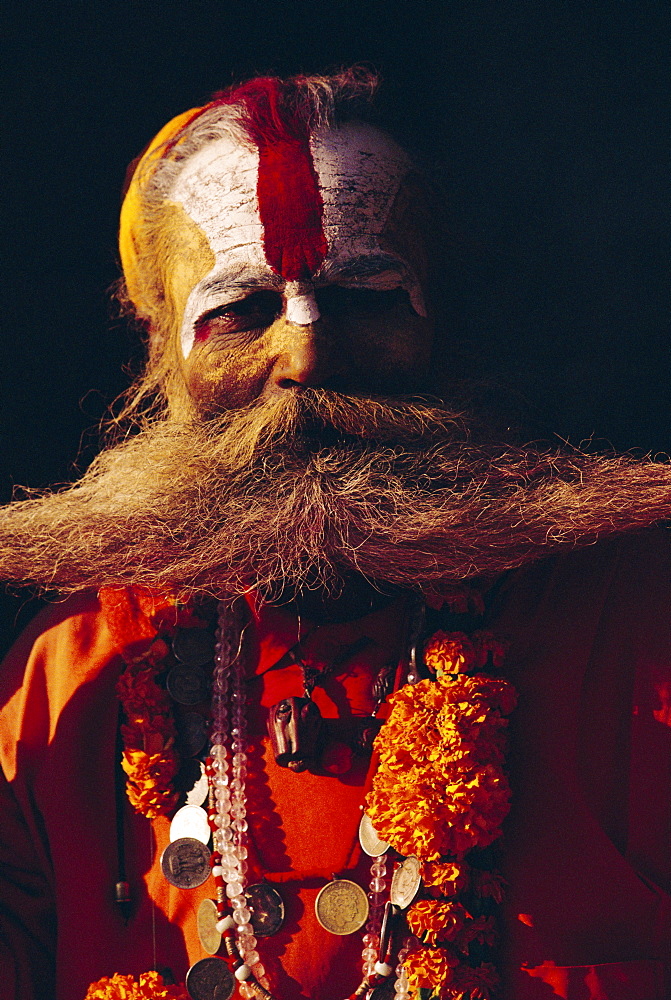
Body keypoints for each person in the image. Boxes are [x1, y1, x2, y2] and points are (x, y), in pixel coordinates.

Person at [0, 70, 670, 1000]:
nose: (307, 353)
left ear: (447, 321)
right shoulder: (71, 677)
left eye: (364, 294)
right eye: (239, 309)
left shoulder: (636, 620)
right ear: (161, 353)